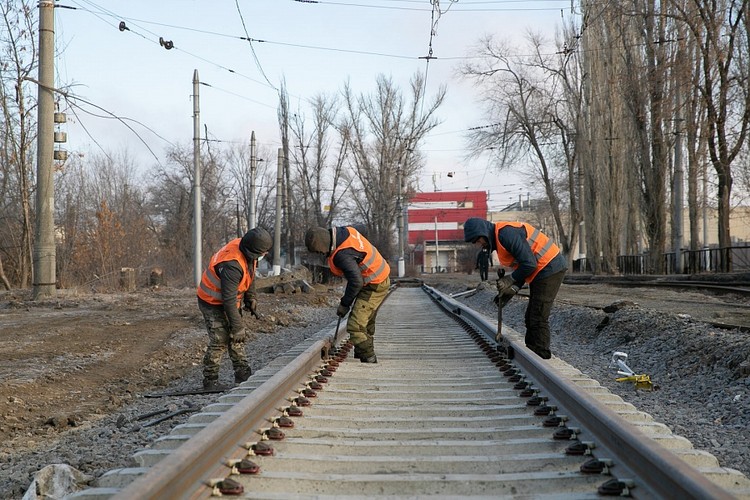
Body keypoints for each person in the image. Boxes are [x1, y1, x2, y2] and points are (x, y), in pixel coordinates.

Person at [463, 217, 567, 359]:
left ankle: (541, 358)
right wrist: (512, 290)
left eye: (477, 240)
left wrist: (510, 279)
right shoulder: (501, 239)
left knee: (537, 316)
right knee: (531, 317)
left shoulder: (506, 234)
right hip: (541, 269)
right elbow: (523, 266)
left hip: (550, 267)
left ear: (483, 234)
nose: (478, 244)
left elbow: (529, 264)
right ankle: (533, 356)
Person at [196, 227, 273, 390]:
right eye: (263, 252)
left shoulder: (247, 248)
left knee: (237, 337)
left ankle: (242, 374)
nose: (264, 255)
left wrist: (250, 297)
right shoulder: (232, 264)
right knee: (221, 339)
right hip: (211, 301)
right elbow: (228, 300)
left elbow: (250, 273)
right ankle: (210, 380)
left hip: (229, 300)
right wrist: (237, 327)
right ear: (253, 250)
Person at [304, 225, 390, 363]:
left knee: (356, 324)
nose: (321, 255)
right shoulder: (345, 232)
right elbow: (363, 233)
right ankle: (361, 351)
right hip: (377, 275)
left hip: (375, 283)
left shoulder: (341, 255)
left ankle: (369, 358)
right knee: (365, 319)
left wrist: (345, 304)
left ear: (322, 246)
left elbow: (356, 282)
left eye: (319, 252)